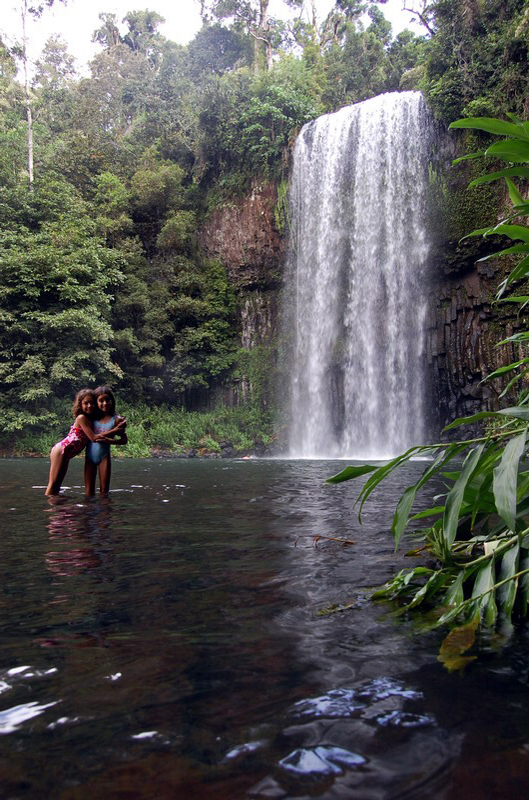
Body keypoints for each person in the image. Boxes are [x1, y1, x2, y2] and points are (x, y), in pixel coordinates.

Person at [45, 389, 102, 496]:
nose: (89, 405)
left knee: (57, 485)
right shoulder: (81, 418)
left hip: (65, 454)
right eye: (86, 403)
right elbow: (93, 437)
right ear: (80, 405)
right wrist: (114, 431)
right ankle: (50, 508)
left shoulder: (90, 419)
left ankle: (56, 508)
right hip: (61, 450)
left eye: (92, 403)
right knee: (53, 484)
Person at [84, 386, 127, 496]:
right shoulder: (90, 417)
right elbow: (91, 436)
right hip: (89, 457)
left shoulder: (117, 419)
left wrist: (110, 441)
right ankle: (88, 512)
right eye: (101, 401)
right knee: (89, 493)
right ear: (96, 402)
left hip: (104, 457)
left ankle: (105, 513)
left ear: (112, 401)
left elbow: (124, 440)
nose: (105, 403)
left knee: (104, 492)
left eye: (108, 400)